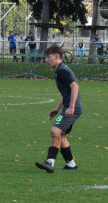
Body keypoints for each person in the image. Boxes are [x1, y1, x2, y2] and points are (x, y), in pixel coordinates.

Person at [35, 45, 83, 173]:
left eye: (48, 57)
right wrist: (57, 108)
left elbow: (74, 87)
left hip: (72, 108)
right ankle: (71, 164)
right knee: (61, 135)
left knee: (55, 131)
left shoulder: (62, 71)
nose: (46, 60)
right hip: (68, 107)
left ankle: (50, 162)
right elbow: (67, 92)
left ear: (57, 57)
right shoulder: (59, 70)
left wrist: (71, 107)